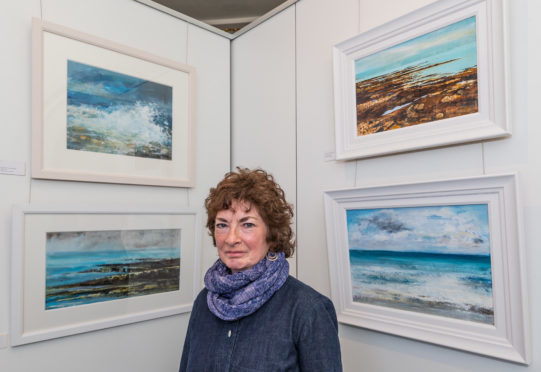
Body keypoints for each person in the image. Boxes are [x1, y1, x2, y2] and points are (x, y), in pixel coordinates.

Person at [179, 168, 342, 372]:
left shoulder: (308, 310)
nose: (231, 238)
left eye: (247, 224)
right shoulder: (204, 302)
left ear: (271, 232)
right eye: (222, 225)